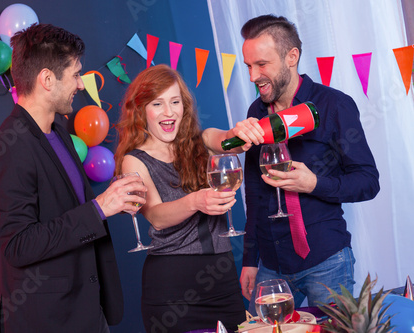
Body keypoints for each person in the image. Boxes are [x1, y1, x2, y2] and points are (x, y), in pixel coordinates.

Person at [203, 14, 380, 313]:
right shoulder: (255, 113)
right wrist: (250, 260)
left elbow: (368, 181)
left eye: (261, 64)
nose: (252, 76)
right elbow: (255, 196)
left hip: (327, 262)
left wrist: (314, 183)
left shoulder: (334, 105)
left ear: (292, 57)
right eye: (248, 66)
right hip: (272, 266)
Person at [0, 23, 146, 333]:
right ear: (47, 79)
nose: (81, 85)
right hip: (48, 320)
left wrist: (112, 200)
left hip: (87, 308)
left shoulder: (58, 131)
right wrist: (98, 209)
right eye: (74, 74)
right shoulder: (7, 148)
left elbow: (68, 207)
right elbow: (19, 245)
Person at [114, 64, 246, 333]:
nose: (169, 111)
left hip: (223, 277)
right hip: (172, 288)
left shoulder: (203, 141)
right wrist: (195, 201)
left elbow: (228, 140)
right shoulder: (134, 161)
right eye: (157, 103)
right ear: (141, 111)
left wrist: (242, 135)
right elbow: (156, 216)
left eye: (175, 102)